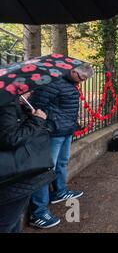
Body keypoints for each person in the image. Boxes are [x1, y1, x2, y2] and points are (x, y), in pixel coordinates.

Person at [28, 63, 94, 228]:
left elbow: (65, 106)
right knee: (46, 169)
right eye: (82, 78)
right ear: (73, 72)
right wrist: (53, 119)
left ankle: (59, 191)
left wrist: (74, 121)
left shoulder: (71, 83)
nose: (82, 82)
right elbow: (36, 104)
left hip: (66, 130)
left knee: (62, 162)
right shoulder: (54, 82)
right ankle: (38, 211)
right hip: (54, 131)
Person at [0, 94, 56, 233]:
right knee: (6, 222)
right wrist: (36, 120)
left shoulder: (11, 103)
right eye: (25, 90)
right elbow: (12, 138)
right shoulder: (6, 104)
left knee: (13, 220)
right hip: (14, 174)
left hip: (14, 175)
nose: (30, 93)